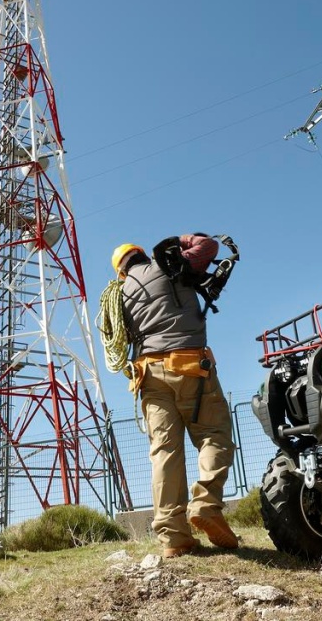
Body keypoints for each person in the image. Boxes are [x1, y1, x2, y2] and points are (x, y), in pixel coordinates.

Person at [111, 234, 239, 558]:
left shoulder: (119, 295)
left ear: (121, 271)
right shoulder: (168, 264)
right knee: (214, 435)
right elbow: (209, 246)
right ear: (141, 254)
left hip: (148, 374)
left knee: (164, 452)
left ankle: (174, 538)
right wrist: (182, 240)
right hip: (189, 365)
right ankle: (206, 504)